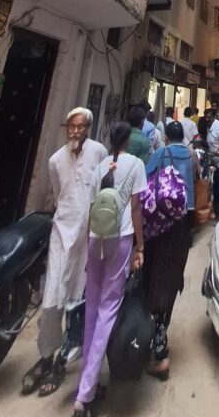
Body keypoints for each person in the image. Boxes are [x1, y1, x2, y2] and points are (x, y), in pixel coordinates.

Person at [22, 108, 106, 397]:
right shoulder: (55, 161)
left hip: (88, 236)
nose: (75, 131)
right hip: (62, 234)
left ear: (89, 128)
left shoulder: (98, 152)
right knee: (52, 297)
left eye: (80, 126)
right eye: (71, 126)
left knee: (78, 298)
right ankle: (45, 355)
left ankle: (62, 360)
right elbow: (59, 195)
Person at [73, 122, 146, 417]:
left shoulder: (100, 166)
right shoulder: (136, 164)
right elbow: (137, 209)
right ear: (128, 140)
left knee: (92, 309)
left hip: (95, 241)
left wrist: (87, 252)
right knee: (107, 310)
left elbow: (91, 211)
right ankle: (86, 393)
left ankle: (83, 384)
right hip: (120, 240)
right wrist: (140, 246)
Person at [143, 120, 196, 379]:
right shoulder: (191, 155)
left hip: (159, 224)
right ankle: (161, 334)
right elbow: (196, 183)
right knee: (172, 277)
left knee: (153, 275)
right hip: (182, 226)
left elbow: (144, 179)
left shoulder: (160, 153)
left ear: (166, 137)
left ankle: (155, 340)